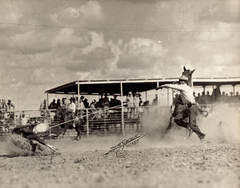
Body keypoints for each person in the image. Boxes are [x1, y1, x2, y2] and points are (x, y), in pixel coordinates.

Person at [159, 74, 206, 140]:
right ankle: (188, 126)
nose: (179, 82)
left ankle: (201, 136)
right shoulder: (189, 88)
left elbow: (171, 86)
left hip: (192, 107)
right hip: (189, 107)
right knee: (177, 119)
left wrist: (162, 85)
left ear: (183, 82)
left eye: (180, 81)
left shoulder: (183, 87)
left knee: (192, 125)